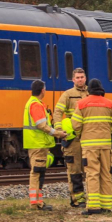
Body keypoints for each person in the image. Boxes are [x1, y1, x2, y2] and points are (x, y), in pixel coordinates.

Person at [71, 78, 112, 215]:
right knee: (106, 174)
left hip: (89, 146)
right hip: (105, 145)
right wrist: (105, 131)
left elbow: (75, 124)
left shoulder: (81, 104)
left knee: (92, 174)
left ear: (89, 90)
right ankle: (106, 206)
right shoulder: (109, 104)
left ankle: (93, 207)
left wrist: (82, 133)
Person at [23, 80, 67, 211]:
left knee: (39, 172)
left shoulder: (32, 103)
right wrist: (57, 133)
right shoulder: (36, 105)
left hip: (36, 143)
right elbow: (41, 125)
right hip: (39, 144)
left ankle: (38, 202)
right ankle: (36, 204)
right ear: (43, 90)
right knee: (37, 173)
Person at [53, 68, 89, 207]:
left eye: (82, 77)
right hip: (73, 138)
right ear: (73, 80)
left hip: (87, 136)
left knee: (89, 170)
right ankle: (77, 200)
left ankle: (88, 198)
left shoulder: (90, 94)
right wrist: (59, 129)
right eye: (77, 77)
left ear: (85, 78)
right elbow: (58, 112)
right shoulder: (68, 95)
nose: (80, 79)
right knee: (74, 170)